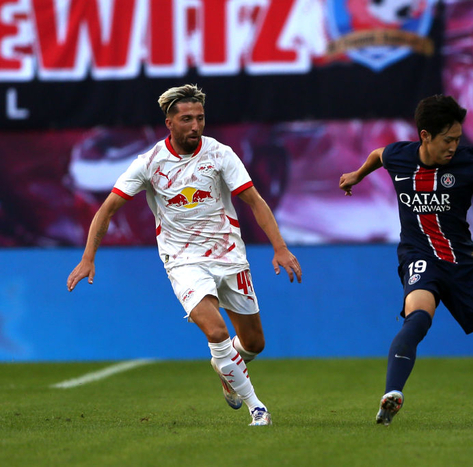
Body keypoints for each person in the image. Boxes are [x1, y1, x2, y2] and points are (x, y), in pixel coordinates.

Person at [67, 84, 302, 426]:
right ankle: (257, 408)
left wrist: (280, 247)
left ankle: (226, 369)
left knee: (253, 343)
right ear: (169, 123)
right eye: (187, 119)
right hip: (183, 261)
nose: (195, 125)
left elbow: (254, 201)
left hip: (230, 256)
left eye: (200, 118)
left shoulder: (220, 154)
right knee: (216, 332)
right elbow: (107, 209)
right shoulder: (149, 163)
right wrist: (88, 257)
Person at [339, 94, 473, 427]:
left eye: (457, 138)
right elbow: (378, 155)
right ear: (425, 136)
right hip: (419, 256)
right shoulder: (400, 155)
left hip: (462, 263)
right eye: (447, 140)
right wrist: (357, 174)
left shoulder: (468, 163)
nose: (454, 146)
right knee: (419, 316)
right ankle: (392, 394)